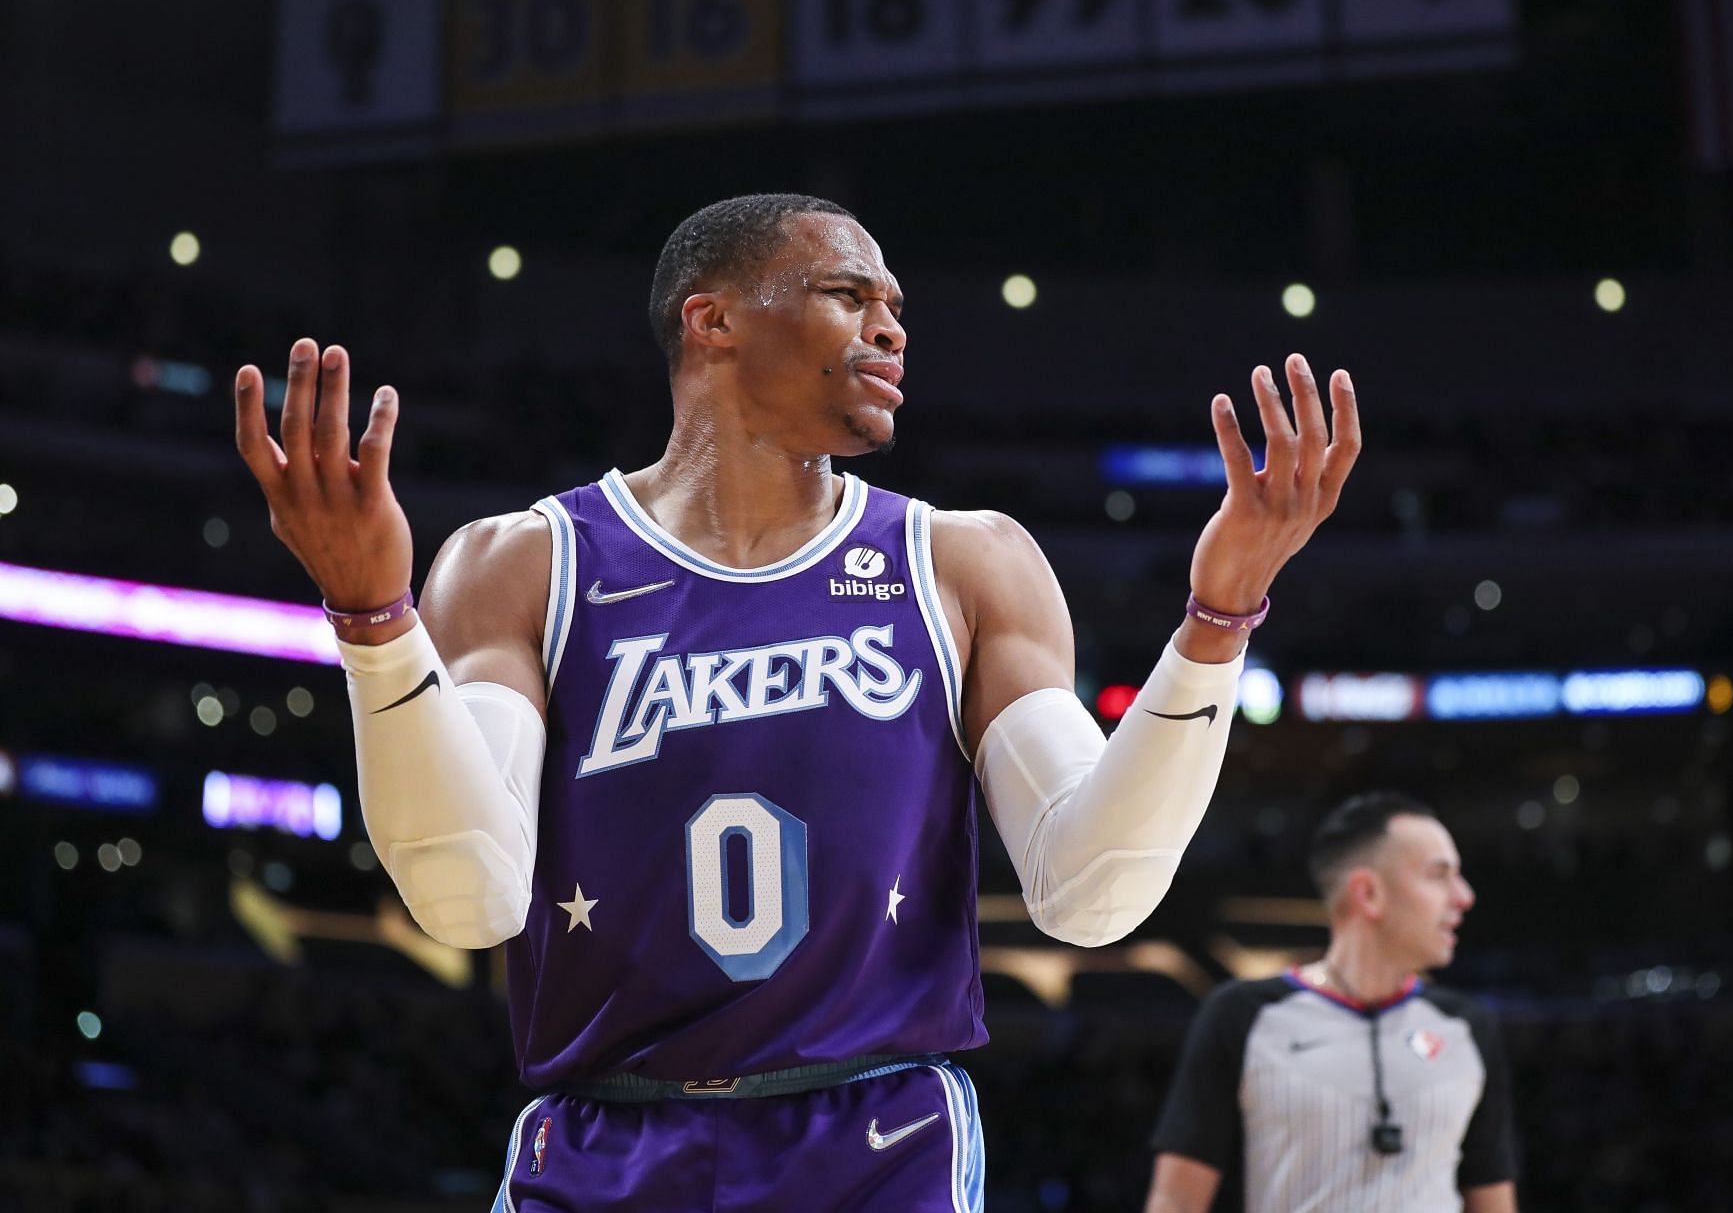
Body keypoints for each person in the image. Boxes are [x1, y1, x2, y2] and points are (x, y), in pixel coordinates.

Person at [232, 193, 1361, 1212]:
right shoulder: (525, 563)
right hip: (601, 1139)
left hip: (878, 1140)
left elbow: (1090, 890)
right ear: (711, 320)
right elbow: (466, 894)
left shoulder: (963, 561)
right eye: (847, 293)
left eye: (896, 305)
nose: (891, 327)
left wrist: (1220, 619)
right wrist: (374, 619)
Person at [1145, 792, 1518, 1212]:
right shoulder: (1243, 1016)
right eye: (1439, 875)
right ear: (1368, 893)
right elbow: (1175, 1204)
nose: (1464, 897)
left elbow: (1493, 1203)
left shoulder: (1466, 1026)